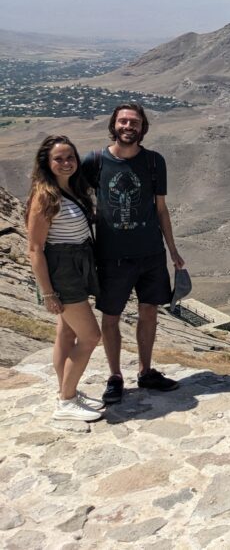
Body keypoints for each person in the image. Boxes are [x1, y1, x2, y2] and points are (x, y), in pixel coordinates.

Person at [81, 103, 184, 404]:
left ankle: (146, 371)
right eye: (123, 121)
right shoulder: (96, 161)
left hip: (150, 253)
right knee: (110, 316)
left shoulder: (154, 162)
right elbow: (75, 197)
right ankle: (115, 376)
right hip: (112, 256)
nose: (128, 126)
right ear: (113, 125)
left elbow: (161, 209)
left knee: (149, 313)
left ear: (142, 128)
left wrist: (172, 250)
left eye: (134, 122)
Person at [26, 135, 104, 422]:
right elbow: (34, 248)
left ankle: (66, 388)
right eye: (58, 158)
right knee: (91, 336)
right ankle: (66, 400)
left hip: (80, 262)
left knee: (66, 333)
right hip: (63, 270)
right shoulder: (44, 196)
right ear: (47, 162)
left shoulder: (72, 189)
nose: (66, 163)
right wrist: (48, 293)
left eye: (70, 157)